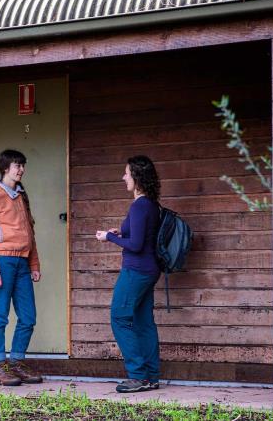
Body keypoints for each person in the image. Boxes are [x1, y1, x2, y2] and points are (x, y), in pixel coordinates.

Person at [95, 155, 162, 393]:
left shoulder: (139, 205)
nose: (123, 177)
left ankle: (137, 376)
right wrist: (119, 232)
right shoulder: (151, 205)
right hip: (149, 270)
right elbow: (140, 236)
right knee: (143, 322)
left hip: (136, 271)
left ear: (137, 176)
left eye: (126, 173)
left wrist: (109, 237)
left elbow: (135, 245)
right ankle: (151, 377)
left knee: (120, 317)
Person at [0, 149, 43, 386]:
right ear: (6, 168)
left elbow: (30, 233)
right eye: (18, 165)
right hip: (2, 262)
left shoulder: (21, 196)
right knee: (0, 315)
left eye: (23, 165)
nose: (21, 170)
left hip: (23, 262)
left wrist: (34, 263)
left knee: (28, 316)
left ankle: (16, 363)